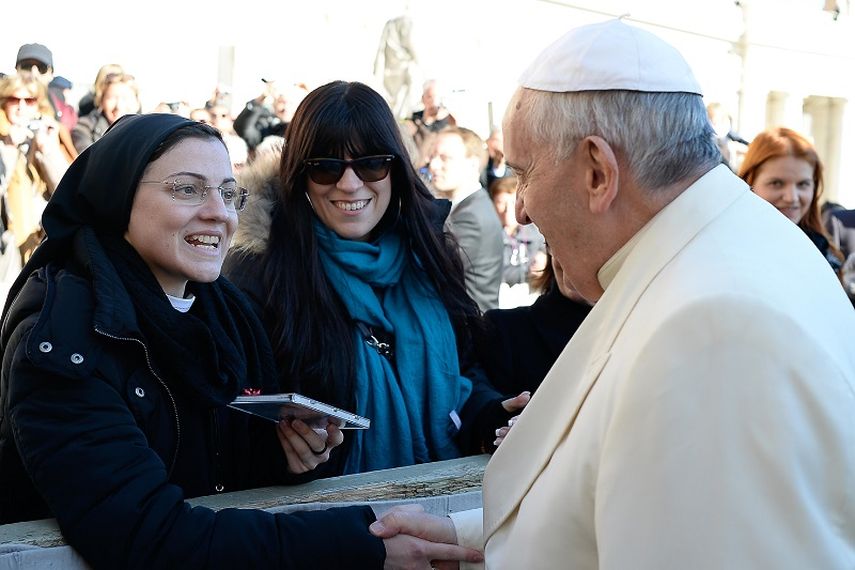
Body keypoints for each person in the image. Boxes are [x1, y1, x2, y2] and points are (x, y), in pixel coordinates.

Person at [371, 19, 855, 568]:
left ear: (598, 172)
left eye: (524, 173)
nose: (522, 209)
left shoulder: (715, 327)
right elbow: (639, 491)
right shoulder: (725, 244)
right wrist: (471, 537)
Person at [0, 113, 483, 569]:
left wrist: (289, 455)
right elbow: (148, 538)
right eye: (187, 190)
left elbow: (220, 473)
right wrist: (362, 545)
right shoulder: (60, 343)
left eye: (229, 194)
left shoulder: (226, 313)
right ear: (117, 198)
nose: (218, 214)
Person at [224, 81, 528, 478]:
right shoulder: (258, 273)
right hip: (333, 527)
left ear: (395, 169)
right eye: (326, 167)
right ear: (301, 175)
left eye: (370, 164)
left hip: (443, 510)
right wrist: (284, 453)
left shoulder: (429, 253)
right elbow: (237, 413)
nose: (349, 184)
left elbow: (463, 373)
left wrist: (490, 415)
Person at [738, 126, 845, 273]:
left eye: (803, 184)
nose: (791, 198)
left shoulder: (822, 250)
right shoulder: (732, 250)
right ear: (748, 182)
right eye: (776, 183)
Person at [0, 72, 75, 265]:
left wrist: (47, 151)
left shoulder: (51, 133)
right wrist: (8, 150)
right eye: (14, 100)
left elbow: (68, 190)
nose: (21, 107)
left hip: (40, 242)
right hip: (7, 246)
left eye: (30, 100)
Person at [428, 127, 505, 312]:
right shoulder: (468, 207)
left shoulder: (472, 217)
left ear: (472, 164)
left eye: (444, 158)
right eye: (432, 157)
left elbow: (430, 270)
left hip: (468, 329)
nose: (433, 165)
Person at [72, 73, 141, 152]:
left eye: (126, 98)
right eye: (111, 98)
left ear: (137, 103)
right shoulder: (85, 127)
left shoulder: (147, 133)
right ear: (101, 101)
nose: (119, 106)